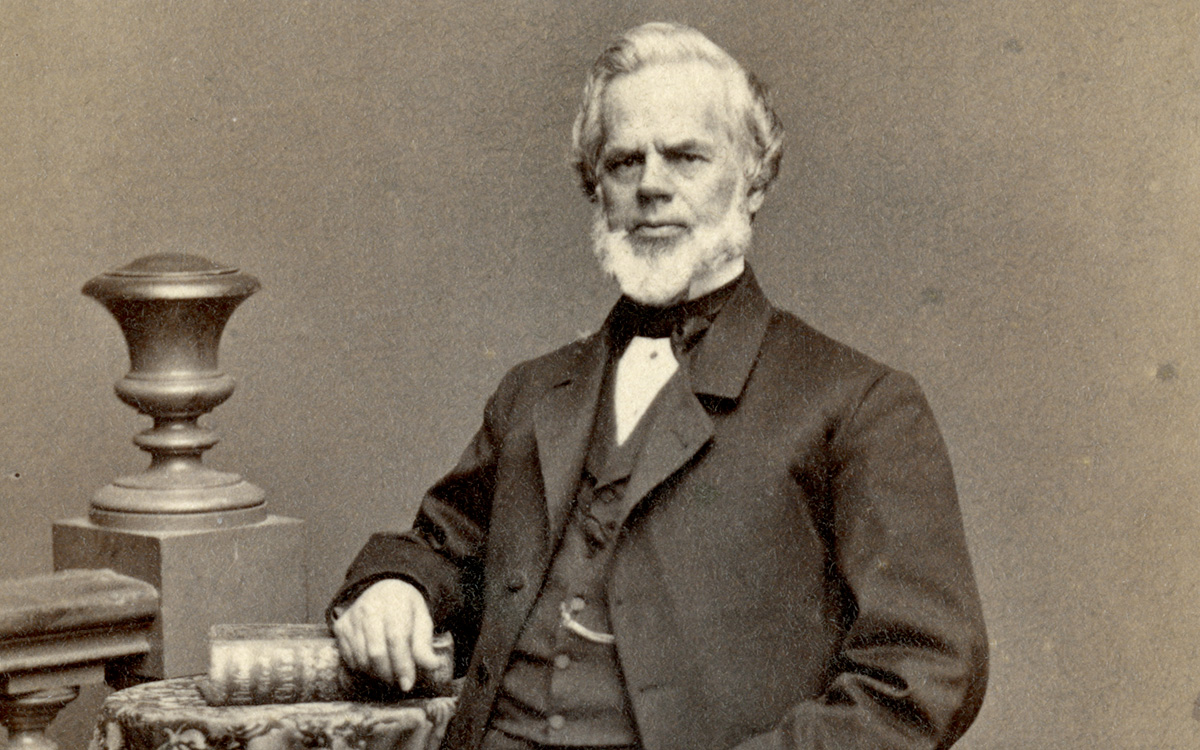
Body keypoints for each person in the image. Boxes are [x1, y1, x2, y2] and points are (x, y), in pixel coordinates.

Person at [328, 21, 988, 750]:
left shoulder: (858, 404)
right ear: (595, 190)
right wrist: (397, 587)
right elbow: (442, 546)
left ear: (754, 179)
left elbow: (923, 672)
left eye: (686, 157)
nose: (650, 186)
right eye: (622, 163)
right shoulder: (534, 392)